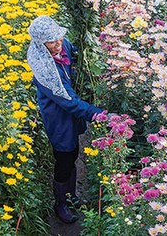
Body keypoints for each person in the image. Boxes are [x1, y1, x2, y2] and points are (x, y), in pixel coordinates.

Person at [26, 15, 102, 224]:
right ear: (40, 44)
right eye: (52, 41)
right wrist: (96, 113)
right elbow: (67, 100)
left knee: (73, 152)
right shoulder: (44, 68)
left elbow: (75, 51)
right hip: (58, 116)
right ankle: (60, 203)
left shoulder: (62, 45)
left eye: (59, 37)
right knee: (64, 158)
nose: (59, 43)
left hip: (71, 111)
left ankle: (72, 197)